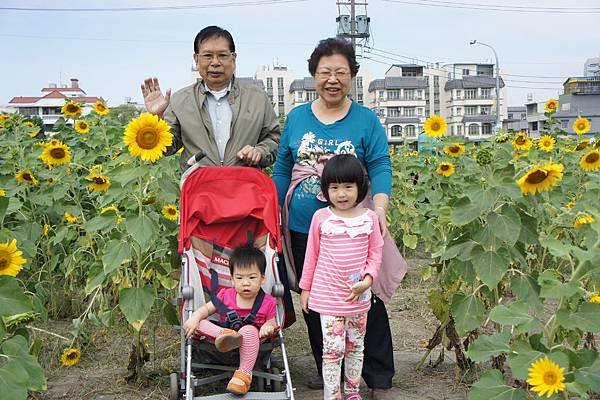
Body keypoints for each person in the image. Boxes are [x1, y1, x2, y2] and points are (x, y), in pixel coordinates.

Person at [272, 38, 407, 400]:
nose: (332, 79)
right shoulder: (298, 117)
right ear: (313, 75)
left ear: (353, 77)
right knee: (316, 300)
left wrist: (379, 208)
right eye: (325, 72)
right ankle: (328, 367)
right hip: (304, 228)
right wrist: (274, 211)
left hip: (355, 229)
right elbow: (283, 166)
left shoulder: (365, 120)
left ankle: (378, 378)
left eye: (341, 72)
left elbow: (379, 164)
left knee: (368, 299)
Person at [300, 154, 384, 400]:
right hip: (328, 296)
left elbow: (375, 253)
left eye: (348, 186)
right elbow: (311, 256)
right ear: (326, 190)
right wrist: (306, 288)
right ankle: (332, 394)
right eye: (334, 188)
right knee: (333, 349)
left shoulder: (369, 218)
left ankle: (352, 391)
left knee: (356, 347)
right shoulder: (321, 218)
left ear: (360, 187)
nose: (342, 194)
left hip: (358, 296)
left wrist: (368, 280)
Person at [140, 25, 280, 170]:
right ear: (196, 59)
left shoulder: (257, 98)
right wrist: (157, 118)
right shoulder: (180, 101)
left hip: (243, 186)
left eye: (222, 55)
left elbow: (274, 139)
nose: (215, 62)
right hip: (199, 186)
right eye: (207, 56)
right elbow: (169, 148)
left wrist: (260, 152)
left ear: (234, 58)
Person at [182, 243, 278, 395]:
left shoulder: (267, 302)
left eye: (252, 277)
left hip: (252, 340)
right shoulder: (225, 295)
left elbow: (272, 321)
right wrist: (194, 317)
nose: (246, 283)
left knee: (248, 330)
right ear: (232, 279)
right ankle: (226, 334)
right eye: (239, 278)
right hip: (221, 336)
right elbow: (207, 309)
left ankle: (243, 374)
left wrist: (268, 325)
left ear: (262, 279)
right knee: (200, 322)